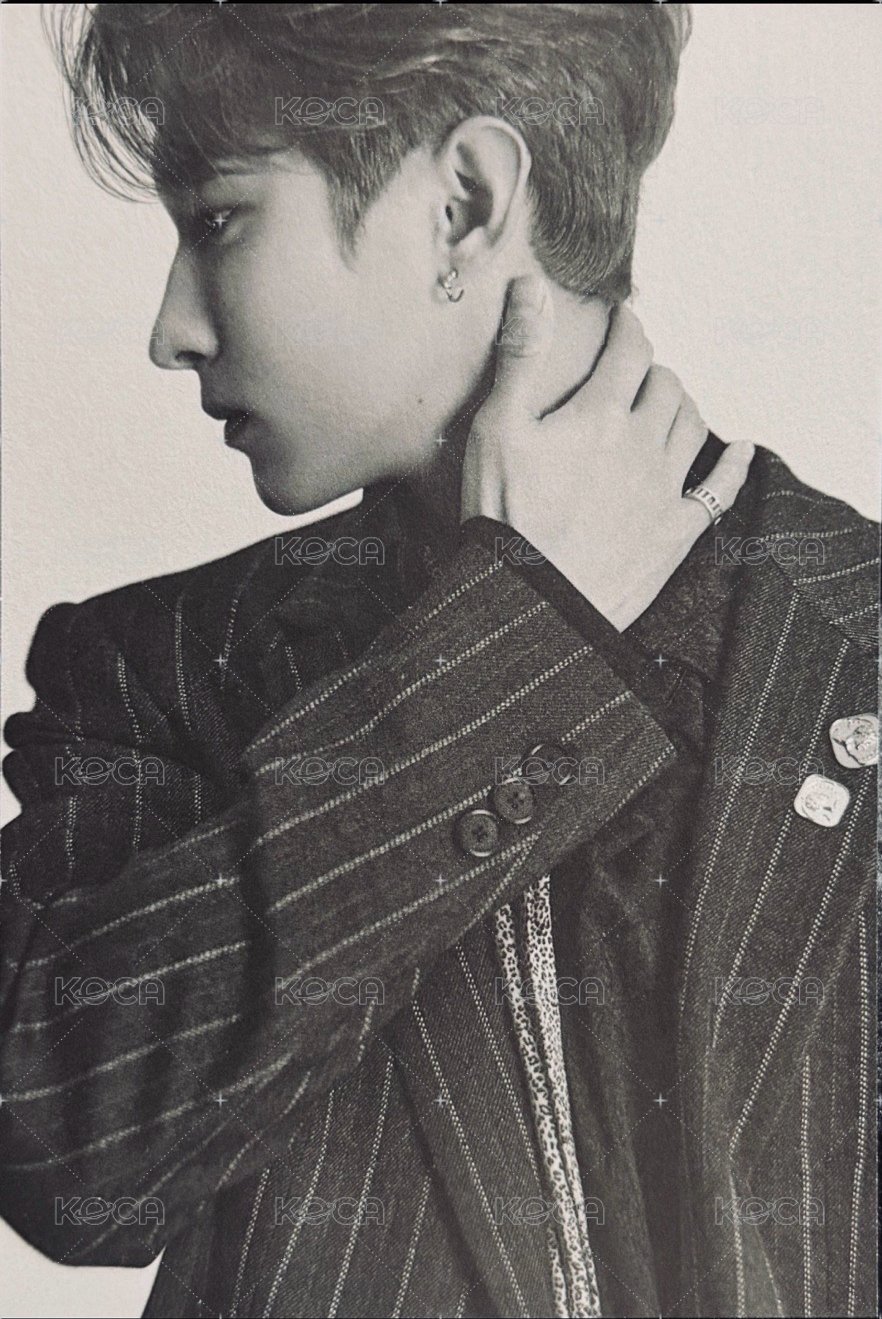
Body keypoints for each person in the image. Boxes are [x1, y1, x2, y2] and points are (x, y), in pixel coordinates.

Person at [1, 6, 876, 1317]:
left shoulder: (858, 643)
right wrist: (512, 654)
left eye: (219, 219)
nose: (171, 328)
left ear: (463, 204)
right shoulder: (159, 674)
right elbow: (68, 1149)